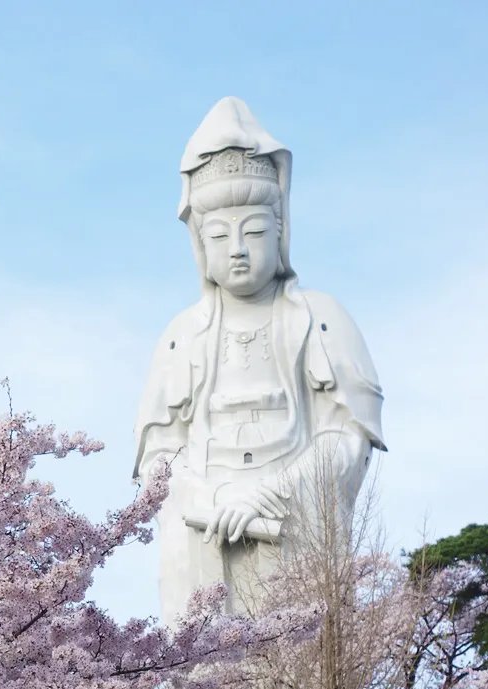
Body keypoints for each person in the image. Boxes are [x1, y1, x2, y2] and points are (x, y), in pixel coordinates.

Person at [134, 97, 387, 621]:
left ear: (280, 230)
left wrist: (275, 491)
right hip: (206, 526)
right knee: (204, 685)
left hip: (291, 521)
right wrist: (208, 494)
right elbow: (157, 456)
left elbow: (349, 437)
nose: (239, 250)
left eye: (253, 232)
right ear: (200, 244)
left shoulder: (319, 317)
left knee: (298, 675)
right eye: (220, 236)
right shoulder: (182, 335)